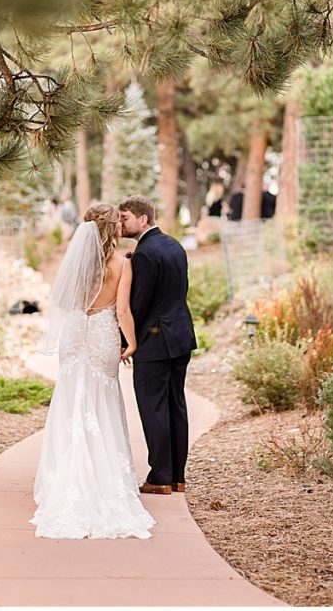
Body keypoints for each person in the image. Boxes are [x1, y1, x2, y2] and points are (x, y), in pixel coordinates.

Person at [30, 203, 155, 540]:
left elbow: (62, 302)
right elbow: (124, 310)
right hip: (102, 335)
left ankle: (64, 479)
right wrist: (132, 343)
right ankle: (103, 482)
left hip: (75, 333)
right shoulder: (121, 264)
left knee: (71, 400)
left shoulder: (76, 263)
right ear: (113, 228)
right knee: (101, 402)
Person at [118, 195, 198, 496]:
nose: (121, 223)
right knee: (176, 405)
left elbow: (138, 304)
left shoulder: (145, 254)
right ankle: (178, 476)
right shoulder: (174, 245)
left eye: (125, 217)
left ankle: (160, 477)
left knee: (153, 408)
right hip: (181, 336)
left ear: (143, 219)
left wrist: (127, 341)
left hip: (155, 339)